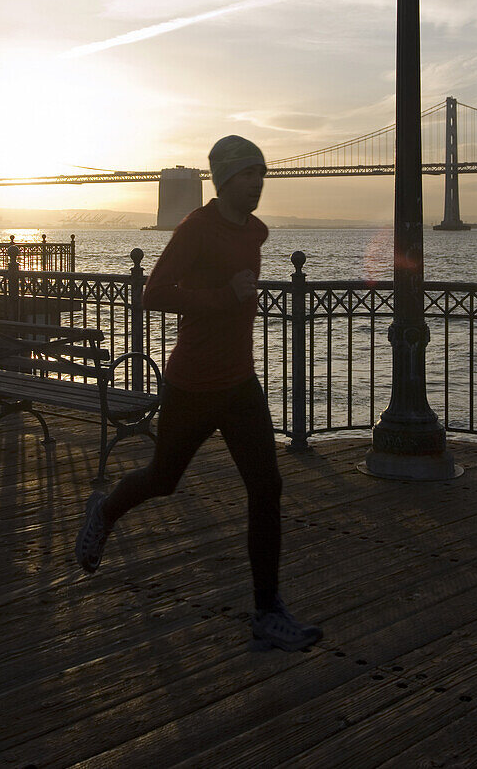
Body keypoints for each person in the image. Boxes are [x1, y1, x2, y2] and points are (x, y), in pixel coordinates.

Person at [75, 135, 323, 652]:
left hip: (239, 383)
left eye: (262, 173)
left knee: (267, 487)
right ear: (224, 179)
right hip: (191, 383)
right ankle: (104, 511)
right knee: (163, 480)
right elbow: (154, 293)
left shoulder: (256, 232)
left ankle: (266, 610)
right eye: (248, 174)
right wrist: (222, 296)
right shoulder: (196, 229)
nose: (258, 183)